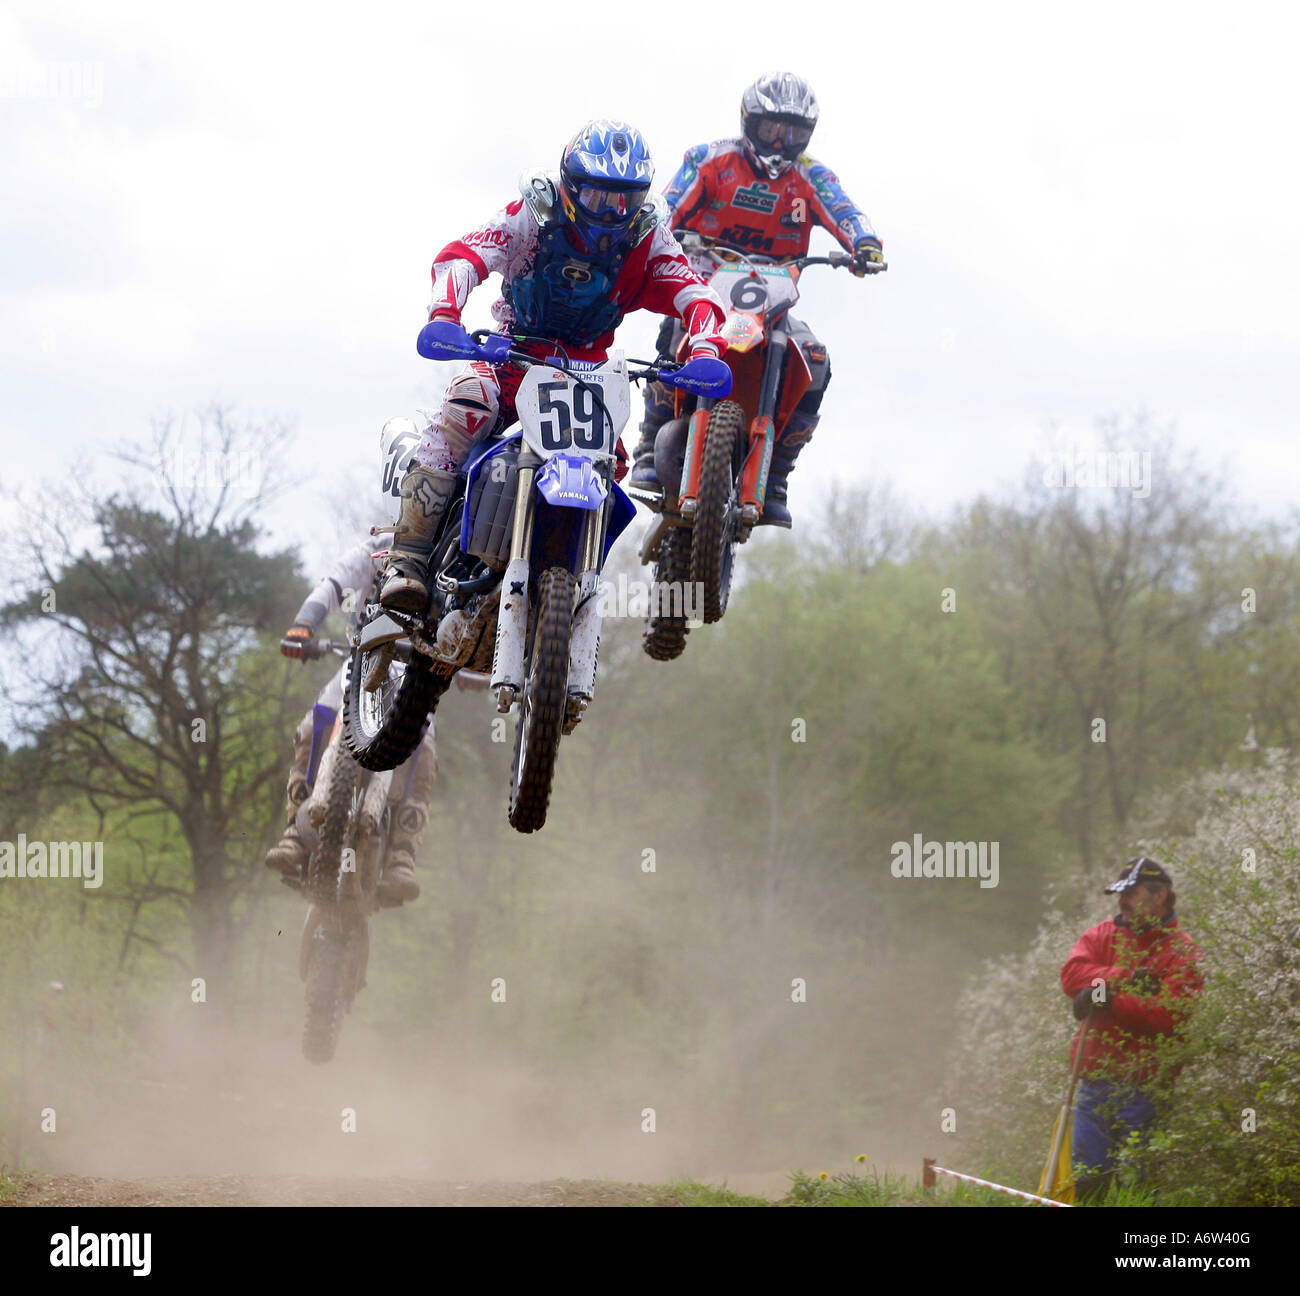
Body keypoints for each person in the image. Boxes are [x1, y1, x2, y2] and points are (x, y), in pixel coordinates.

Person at [379, 118, 727, 613]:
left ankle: (565, 568)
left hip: (587, 376)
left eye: (623, 199)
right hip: (511, 352)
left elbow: (697, 294)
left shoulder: (648, 238)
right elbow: (464, 255)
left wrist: (707, 348)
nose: (611, 210)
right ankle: (407, 560)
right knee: (465, 408)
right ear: (569, 186)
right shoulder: (533, 216)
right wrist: (444, 315)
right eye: (597, 194)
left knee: (612, 462)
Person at [629, 71, 885, 527]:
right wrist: (654, 227)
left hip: (773, 301)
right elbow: (667, 204)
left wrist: (864, 242)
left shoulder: (810, 177)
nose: (781, 141)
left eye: (794, 132)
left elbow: (844, 209)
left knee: (818, 362)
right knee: (675, 328)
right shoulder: (710, 160)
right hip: (704, 284)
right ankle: (650, 444)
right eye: (772, 129)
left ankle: (778, 474)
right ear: (750, 122)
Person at [265, 531, 437, 905]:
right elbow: (333, 584)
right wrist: (304, 623)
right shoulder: (378, 550)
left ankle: (402, 855)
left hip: (416, 673)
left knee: (424, 749)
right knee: (312, 727)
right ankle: (295, 830)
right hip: (362, 660)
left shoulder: (448, 562)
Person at [1060, 857, 1202, 1200]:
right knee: (1088, 1176)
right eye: (1120, 894)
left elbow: (1167, 1015)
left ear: (1160, 895)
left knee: (1136, 1182)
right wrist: (1120, 981)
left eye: (1131, 894)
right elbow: (1071, 976)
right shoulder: (1100, 935)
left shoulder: (1184, 952)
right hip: (1095, 1078)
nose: (1122, 902)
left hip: (1147, 1085)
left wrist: (1108, 1000)